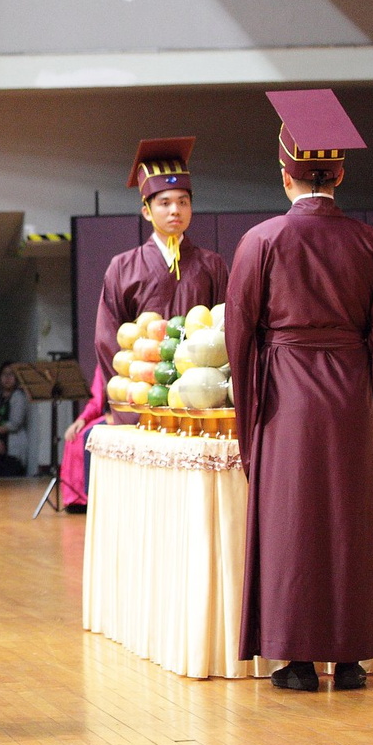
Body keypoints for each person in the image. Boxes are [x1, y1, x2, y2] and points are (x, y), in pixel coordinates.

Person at [227, 88, 373, 693]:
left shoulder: (261, 241)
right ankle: (351, 658)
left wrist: (250, 415)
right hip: (352, 396)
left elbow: (240, 337)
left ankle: (297, 661)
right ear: (340, 173)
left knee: (292, 525)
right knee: (351, 523)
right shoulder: (372, 243)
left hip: (287, 400)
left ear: (284, 176)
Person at [95, 138, 229, 424]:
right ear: (146, 210)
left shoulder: (212, 265)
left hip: (199, 401)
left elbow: (225, 329)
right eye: (164, 203)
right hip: (144, 402)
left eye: (183, 202)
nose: (175, 211)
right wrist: (126, 396)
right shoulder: (123, 267)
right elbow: (107, 339)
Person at [59, 367, 106, 513]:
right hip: (107, 414)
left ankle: (92, 497)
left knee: (89, 436)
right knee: (76, 436)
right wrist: (82, 419)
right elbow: (96, 399)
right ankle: (77, 500)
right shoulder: (103, 361)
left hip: (125, 414)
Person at [0, 362, 30, 476]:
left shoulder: (19, 397)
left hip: (12, 451)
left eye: (11, 374)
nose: (7, 378)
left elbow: (15, 423)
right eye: (4, 374)